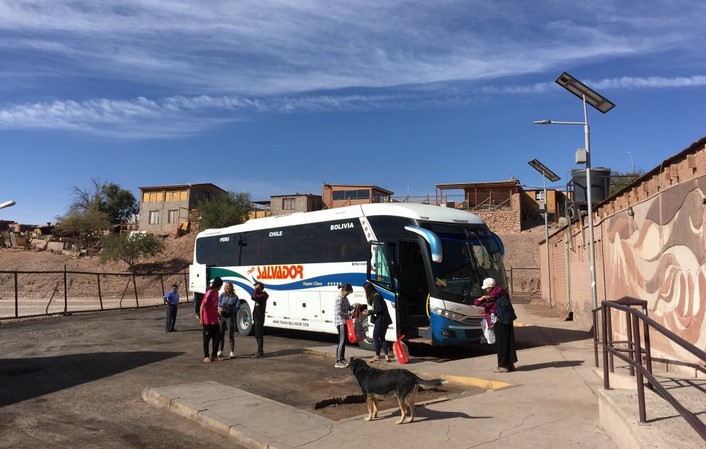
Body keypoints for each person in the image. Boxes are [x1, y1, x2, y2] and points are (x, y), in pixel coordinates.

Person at [476, 277, 518, 373]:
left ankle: (503, 365)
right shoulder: (501, 292)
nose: (486, 291)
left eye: (486, 288)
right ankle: (510, 364)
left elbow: (477, 303)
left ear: (490, 288)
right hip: (507, 320)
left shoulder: (493, 297)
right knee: (508, 342)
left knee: (501, 343)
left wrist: (483, 298)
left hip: (500, 321)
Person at [363, 281, 392, 362]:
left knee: (375, 337)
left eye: (365, 290)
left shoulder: (375, 297)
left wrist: (369, 312)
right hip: (385, 319)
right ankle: (386, 356)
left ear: (368, 290)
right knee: (382, 337)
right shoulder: (379, 295)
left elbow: (379, 309)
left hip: (380, 319)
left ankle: (377, 355)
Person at [333, 283, 361, 368]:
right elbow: (339, 312)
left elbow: (349, 307)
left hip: (344, 321)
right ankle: (338, 361)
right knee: (341, 341)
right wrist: (348, 315)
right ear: (344, 291)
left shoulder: (345, 298)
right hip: (340, 322)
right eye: (348, 292)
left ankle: (342, 358)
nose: (348, 294)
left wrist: (354, 305)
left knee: (343, 340)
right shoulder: (339, 299)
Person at [200, 277, 223, 363]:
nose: (220, 287)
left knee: (217, 338)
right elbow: (202, 305)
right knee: (206, 339)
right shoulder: (209, 292)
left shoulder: (217, 293)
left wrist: (218, 313)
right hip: (207, 321)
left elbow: (215, 306)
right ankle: (206, 356)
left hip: (215, 320)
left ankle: (214, 355)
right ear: (217, 285)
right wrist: (201, 318)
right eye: (220, 285)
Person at [217, 282, 240, 359]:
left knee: (230, 334)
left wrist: (230, 308)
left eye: (228, 286)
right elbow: (218, 303)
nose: (227, 287)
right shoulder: (222, 295)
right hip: (222, 316)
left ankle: (231, 351)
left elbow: (237, 307)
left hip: (230, 316)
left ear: (231, 287)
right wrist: (222, 305)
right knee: (221, 334)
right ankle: (220, 351)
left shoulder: (235, 297)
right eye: (226, 286)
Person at [251, 281, 269, 358]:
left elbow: (253, 297)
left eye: (257, 288)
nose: (255, 289)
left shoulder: (263, 295)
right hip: (256, 316)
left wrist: (256, 291)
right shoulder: (259, 295)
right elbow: (253, 296)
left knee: (259, 334)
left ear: (260, 288)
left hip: (260, 317)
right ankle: (260, 350)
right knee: (256, 334)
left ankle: (260, 351)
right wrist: (256, 291)